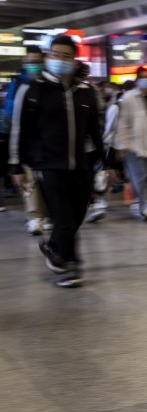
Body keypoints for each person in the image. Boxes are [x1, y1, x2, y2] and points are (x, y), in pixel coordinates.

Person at [7, 35, 103, 287]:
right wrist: (16, 166)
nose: (59, 60)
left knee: (78, 214)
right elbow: (19, 129)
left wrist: (107, 162)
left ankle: (52, 247)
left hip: (79, 165)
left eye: (66, 56)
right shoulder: (32, 90)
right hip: (48, 164)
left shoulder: (85, 93)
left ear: (74, 59)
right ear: (48, 57)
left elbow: (95, 130)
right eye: (55, 55)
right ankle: (69, 266)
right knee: (63, 218)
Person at [110, 66, 147, 221]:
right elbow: (123, 123)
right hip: (134, 145)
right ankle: (145, 206)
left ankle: (141, 201)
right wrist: (122, 145)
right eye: (142, 77)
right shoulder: (129, 98)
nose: (145, 79)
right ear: (136, 80)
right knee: (140, 176)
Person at [3, 46, 49, 231]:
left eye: (37, 62)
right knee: (30, 181)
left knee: (46, 181)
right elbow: (10, 113)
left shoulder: (49, 83)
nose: (34, 65)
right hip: (26, 140)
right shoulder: (18, 84)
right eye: (30, 62)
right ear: (24, 63)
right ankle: (35, 217)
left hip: (48, 142)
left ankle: (46, 215)